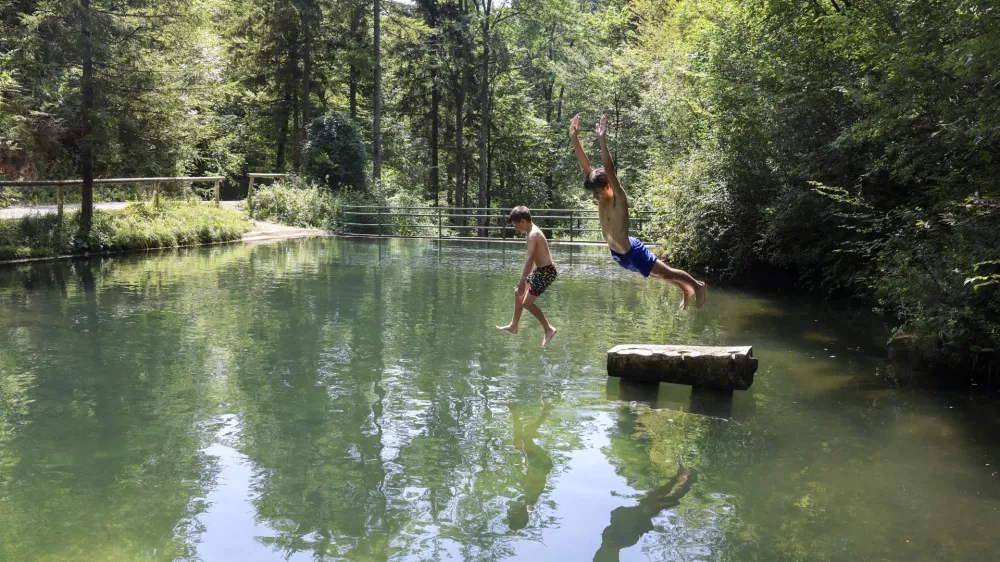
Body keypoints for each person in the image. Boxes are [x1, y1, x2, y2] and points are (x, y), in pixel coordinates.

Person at [570, 114, 706, 310]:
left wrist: (602, 139)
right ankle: (686, 289)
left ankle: (696, 286)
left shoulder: (618, 198)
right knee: (658, 274)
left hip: (632, 252)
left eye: (597, 192)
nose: (595, 196)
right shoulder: (601, 199)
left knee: (666, 272)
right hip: (619, 255)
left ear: (609, 186)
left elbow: (609, 168)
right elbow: (585, 167)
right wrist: (574, 138)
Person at [497, 206, 558, 347]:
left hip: (546, 272)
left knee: (527, 303)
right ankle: (514, 326)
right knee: (518, 293)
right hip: (541, 270)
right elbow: (532, 260)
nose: (515, 227)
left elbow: (530, 259)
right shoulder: (531, 231)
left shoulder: (533, 234)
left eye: (515, 224)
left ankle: (548, 329)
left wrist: (522, 280)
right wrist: (522, 283)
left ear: (523, 221)